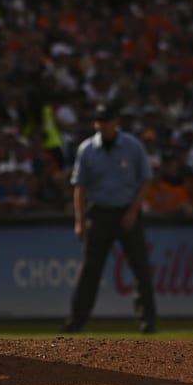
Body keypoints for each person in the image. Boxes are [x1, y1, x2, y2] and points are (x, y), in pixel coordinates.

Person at [63, 103, 157, 334]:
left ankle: (148, 321)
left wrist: (134, 210)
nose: (102, 125)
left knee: (140, 268)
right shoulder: (87, 149)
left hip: (127, 211)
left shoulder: (132, 146)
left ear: (116, 122)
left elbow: (146, 180)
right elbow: (80, 188)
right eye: (99, 121)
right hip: (99, 213)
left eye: (106, 120)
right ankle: (77, 321)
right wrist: (79, 219)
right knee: (90, 271)